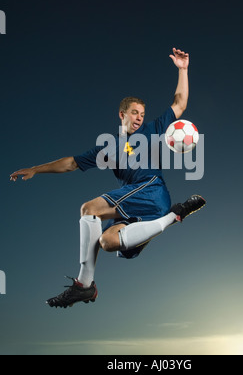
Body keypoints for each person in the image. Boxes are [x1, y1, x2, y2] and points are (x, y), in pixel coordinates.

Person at [10, 48, 206, 309]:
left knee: (88, 209)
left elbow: (179, 103)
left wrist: (183, 69)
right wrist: (36, 168)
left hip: (150, 190)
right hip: (137, 207)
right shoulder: (108, 148)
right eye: (135, 113)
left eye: (142, 114)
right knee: (107, 242)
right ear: (122, 114)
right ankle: (174, 215)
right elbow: (71, 163)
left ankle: (84, 286)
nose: (140, 118)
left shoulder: (153, 130)